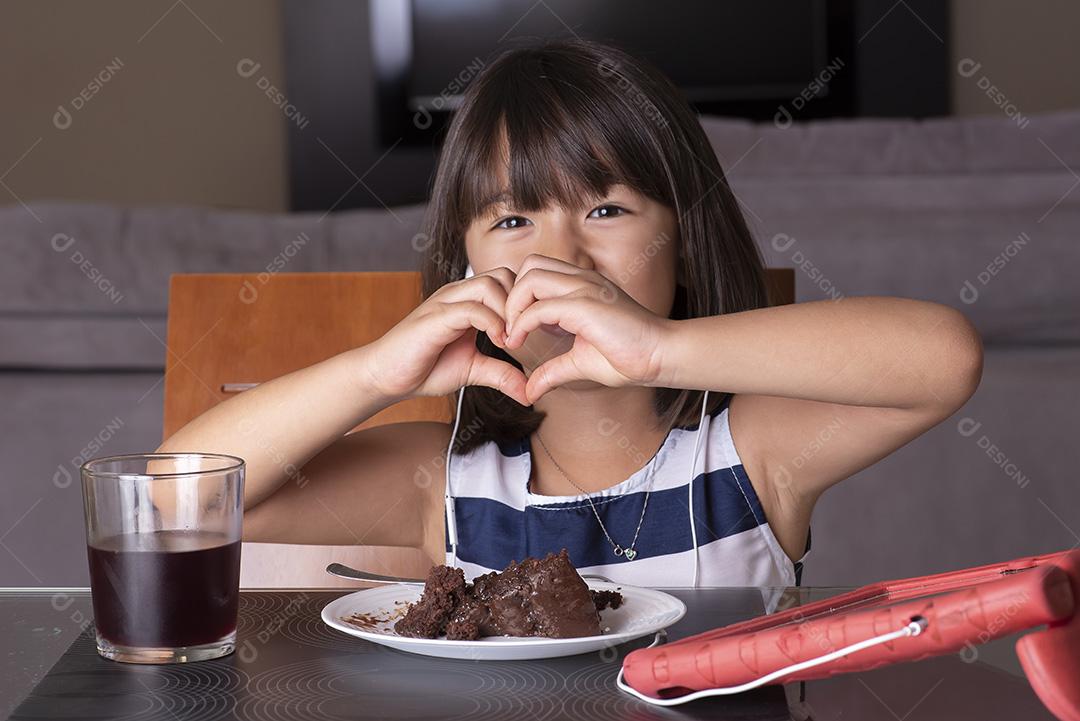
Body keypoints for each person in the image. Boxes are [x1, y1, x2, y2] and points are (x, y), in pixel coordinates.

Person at [157, 38, 983, 589]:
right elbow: (175, 498)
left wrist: (659, 348)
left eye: (607, 211)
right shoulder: (443, 484)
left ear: (686, 244)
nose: (558, 261)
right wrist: (377, 369)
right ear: (465, 269)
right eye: (513, 222)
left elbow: (943, 360)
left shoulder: (753, 456)